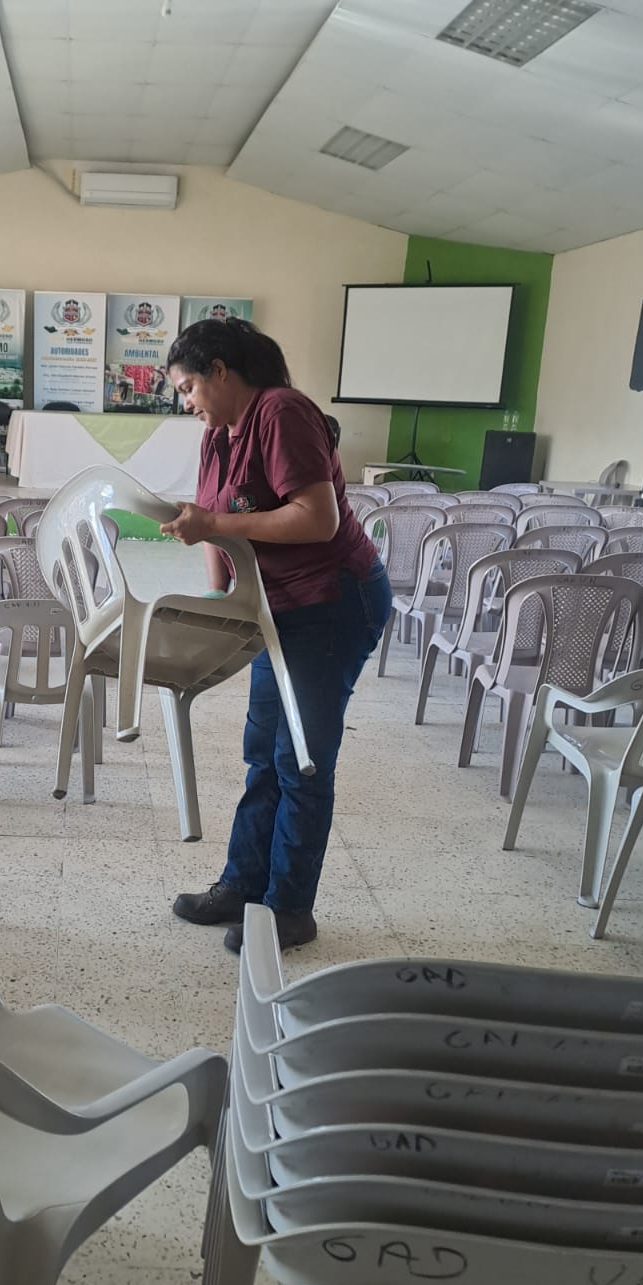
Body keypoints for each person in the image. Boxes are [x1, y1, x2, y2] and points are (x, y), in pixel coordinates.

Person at [160, 317, 391, 954]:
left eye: (188, 388)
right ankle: (243, 885)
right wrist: (218, 608)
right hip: (275, 608)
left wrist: (214, 526)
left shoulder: (282, 412)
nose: (187, 403)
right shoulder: (217, 435)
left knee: (301, 758)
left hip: (333, 602)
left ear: (221, 372)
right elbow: (211, 527)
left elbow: (318, 519)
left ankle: (290, 908)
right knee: (263, 750)